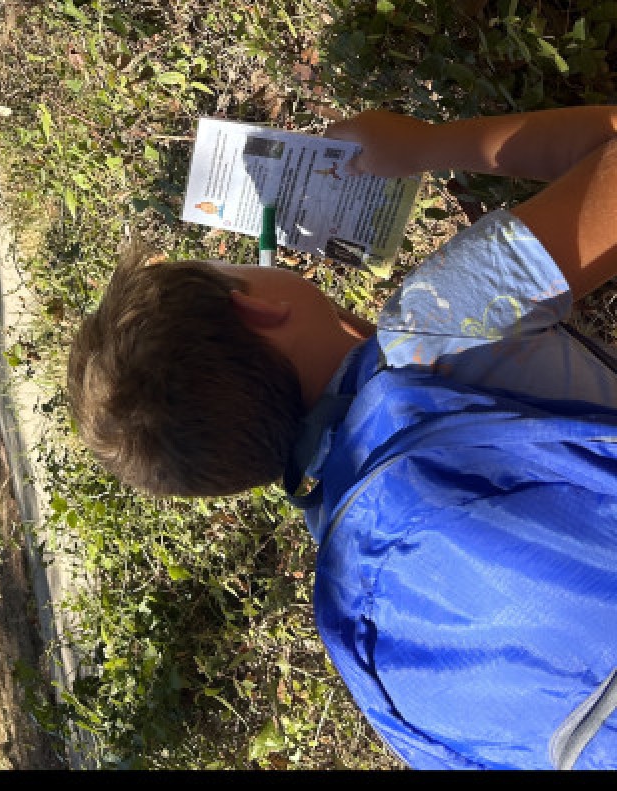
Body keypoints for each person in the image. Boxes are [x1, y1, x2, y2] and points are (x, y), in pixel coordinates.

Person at [67, 105, 617, 501]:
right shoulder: (434, 320)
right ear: (258, 310)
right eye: (238, 268)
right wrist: (433, 145)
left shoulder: (343, 497)